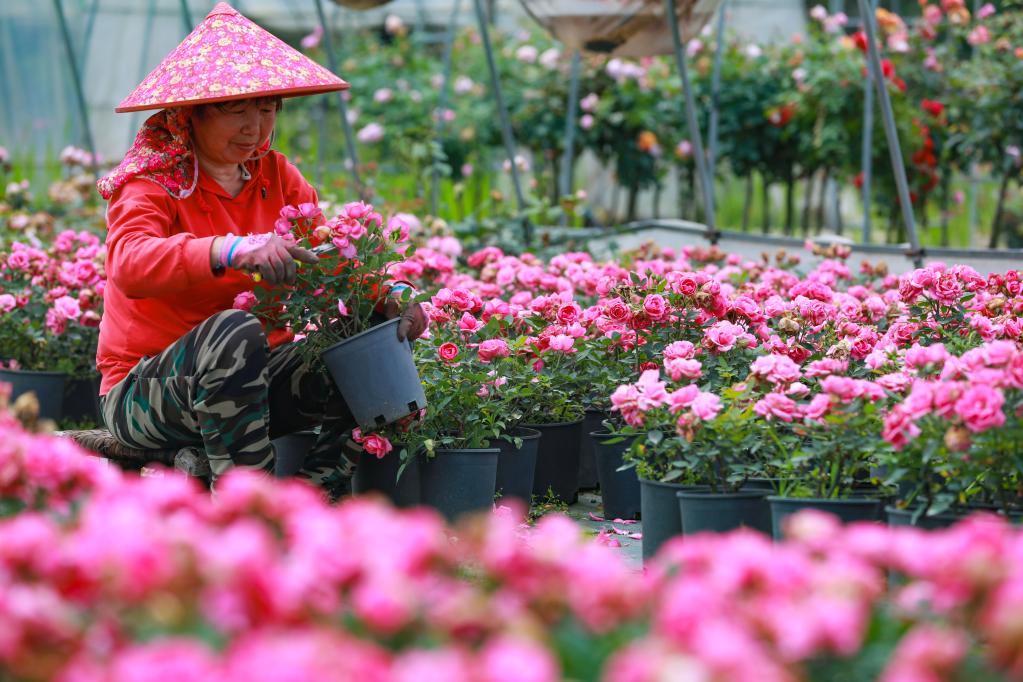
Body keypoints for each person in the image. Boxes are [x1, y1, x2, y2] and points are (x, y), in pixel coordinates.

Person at [95, 3, 426, 486]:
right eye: (236, 108)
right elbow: (129, 263)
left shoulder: (277, 176)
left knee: (371, 336)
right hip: (148, 393)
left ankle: (313, 496)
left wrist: (392, 296)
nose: (256, 126)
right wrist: (229, 249)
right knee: (234, 328)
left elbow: (327, 258)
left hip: (254, 384)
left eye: (267, 107)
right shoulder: (150, 184)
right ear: (190, 117)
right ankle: (247, 504)